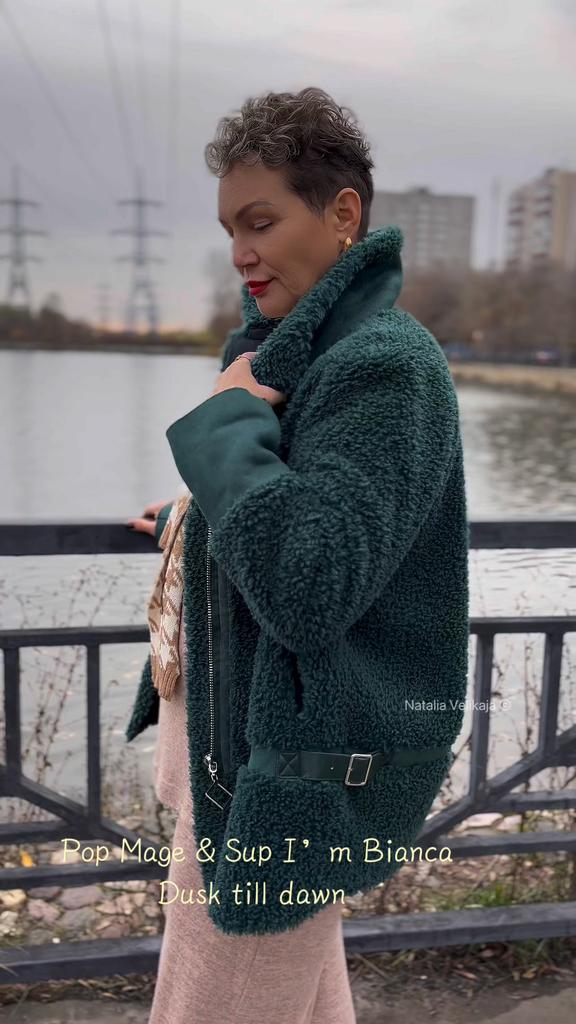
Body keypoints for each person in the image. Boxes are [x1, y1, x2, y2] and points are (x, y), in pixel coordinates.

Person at [125, 85, 469, 1023]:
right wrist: (194, 515)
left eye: (261, 221)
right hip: (247, 757)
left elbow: (311, 584)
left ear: (342, 214)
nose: (240, 252)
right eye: (230, 228)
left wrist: (224, 427)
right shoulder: (306, 355)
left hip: (282, 780)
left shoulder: (386, 367)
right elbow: (313, 509)